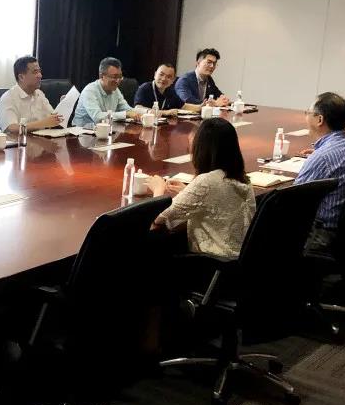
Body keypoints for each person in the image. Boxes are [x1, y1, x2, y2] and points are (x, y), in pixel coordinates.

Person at [148, 117, 257, 257]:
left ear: (202, 149)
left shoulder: (206, 182)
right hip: (239, 259)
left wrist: (158, 189)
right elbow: (218, 200)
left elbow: (158, 218)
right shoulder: (242, 178)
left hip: (212, 262)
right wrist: (187, 192)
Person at [295, 92, 345, 255]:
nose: (306, 116)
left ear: (319, 120)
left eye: (308, 113)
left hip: (320, 234)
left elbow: (293, 204)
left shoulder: (322, 158)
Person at [0, 56, 63, 133]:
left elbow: (52, 118)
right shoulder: (8, 98)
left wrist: (63, 106)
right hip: (18, 140)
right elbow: (12, 128)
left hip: (41, 138)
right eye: (35, 72)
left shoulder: (39, 93)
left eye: (39, 71)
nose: (40, 75)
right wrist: (42, 123)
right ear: (21, 77)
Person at [72, 57, 142, 128]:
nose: (118, 81)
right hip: (82, 131)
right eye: (114, 77)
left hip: (105, 130)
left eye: (120, 76)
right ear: (101, 76)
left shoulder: (115, 90)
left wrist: (143, 113)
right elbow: (98, 117)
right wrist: (125, 114)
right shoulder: (89, 91)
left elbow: (128, 109)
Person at [134, 63, 200, 115]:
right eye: (161, 74)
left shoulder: (170, 91)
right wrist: (165, 112)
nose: (163, 79)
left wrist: (200, 107)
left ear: (173, 80)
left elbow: (184, 106)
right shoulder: (145, 88)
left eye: (169, 77)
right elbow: (137, 108)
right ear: (155, 74)